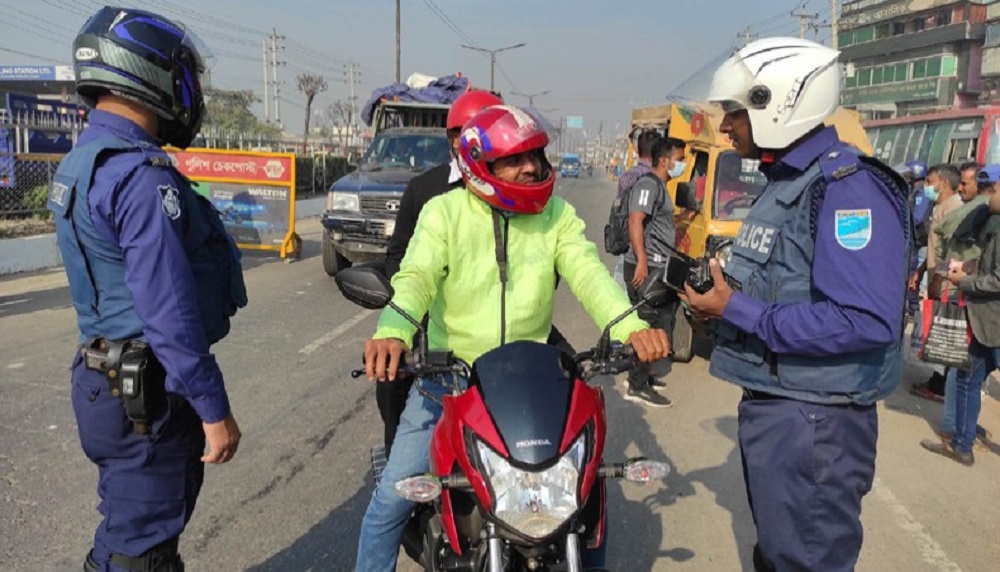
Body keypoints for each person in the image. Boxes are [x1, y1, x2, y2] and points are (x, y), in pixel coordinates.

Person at [355, 105, 670, 571]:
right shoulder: (444, 212)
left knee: (586, 503)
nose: (531, 168)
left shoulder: (556, 216)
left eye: (536, 157)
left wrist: (632, 327)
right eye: (515, 159)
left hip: (528, 384)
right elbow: (416, 275)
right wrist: (393, 331)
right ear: (481, 165)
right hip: (450, 384)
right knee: (389, 501)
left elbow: (591, 275)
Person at [691, 37, 910, 571]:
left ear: (779, 103)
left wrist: (738, 311)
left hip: (816, 423)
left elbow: (864, 320)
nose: (726, 128)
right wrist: (721, 302)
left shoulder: (847, 190)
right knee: (781, 556)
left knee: (805, 562)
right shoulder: (788, 183)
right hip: (786, 410)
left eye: (735, 114)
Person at [49, 7, 246, 571]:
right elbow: (168, 309)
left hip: (104, 380)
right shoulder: (140, 177)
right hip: (147, 395)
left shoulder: (86, 161)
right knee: (144, 551)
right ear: (151, 74)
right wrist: (212, 408)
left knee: (129, 531)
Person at [379, 89, 503, 457]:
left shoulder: (518, 191)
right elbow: (400, 257)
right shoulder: (425, 190)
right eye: (469, 134)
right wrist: (412, 311)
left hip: (502, 315)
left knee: (565, 376)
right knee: (392, 386)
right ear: (453, 140)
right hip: (435, 322)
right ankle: (401, 480)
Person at [922, 164, 1000, 465]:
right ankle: (962, 442)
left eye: (991, 189)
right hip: (985, 318)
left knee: (968, 379)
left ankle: (962, 443)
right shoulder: (991, 219)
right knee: (969, 379)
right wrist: (968, 269)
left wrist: (963, 281)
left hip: (989, 317)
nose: (987, 195)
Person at [622, 136, 686, 407]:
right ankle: (636, 386)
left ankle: (642, 376)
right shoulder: (648, 184)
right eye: (679, 159)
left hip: (660, 266)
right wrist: (642, 260)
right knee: (650, 325)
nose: (681, 164)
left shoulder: (661, 186)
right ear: (664, 161)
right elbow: (635, 220)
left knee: (660, 320)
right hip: (647, 268)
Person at [910, 165, 966, 402]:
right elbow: (933, 247)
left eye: (930, 181)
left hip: (945, 284)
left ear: (942, 183)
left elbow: (950, 254)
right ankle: (938, 381)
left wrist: (936, 280)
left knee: (946, 335)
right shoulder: (940, 207)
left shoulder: (956, 210)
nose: (926, 186)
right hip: (933, 277)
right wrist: (921, 270)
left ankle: (944, 387)